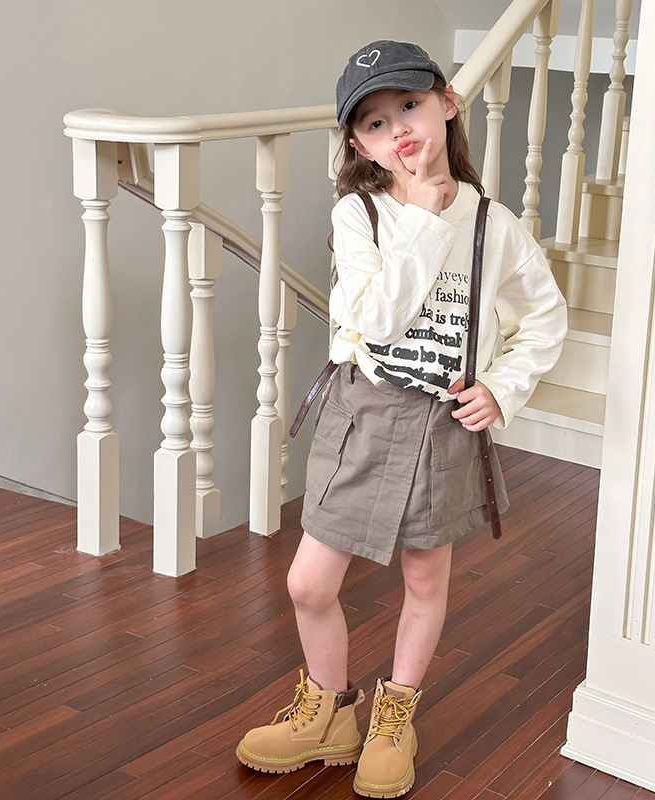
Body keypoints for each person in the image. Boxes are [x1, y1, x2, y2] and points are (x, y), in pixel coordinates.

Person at [236, 40, 567, 798]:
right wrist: (420, 215)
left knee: (425, 578)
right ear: (359, 145)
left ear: (447, 102)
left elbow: (545, 316)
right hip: (362, 413)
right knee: (308, 582)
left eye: (410, 106)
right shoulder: (360, 215)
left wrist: (503, 387)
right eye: (376, 123)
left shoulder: (492, 224)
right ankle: (327, 711)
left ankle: (394, 718)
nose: (399, 131)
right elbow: (379, 321)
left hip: (444, 423)